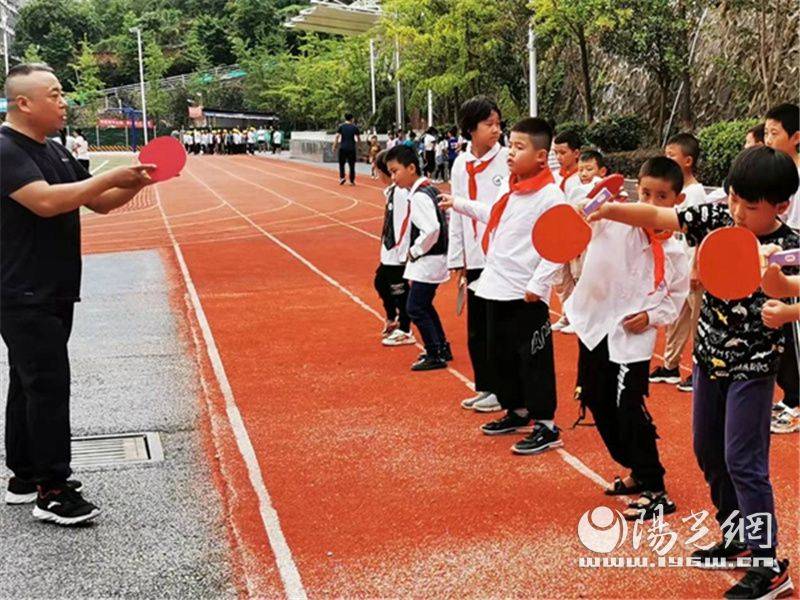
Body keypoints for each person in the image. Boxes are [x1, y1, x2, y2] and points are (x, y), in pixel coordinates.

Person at [588, 145, 798, 599]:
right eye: (734, 199)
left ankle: (769, 566)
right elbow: (661, 218)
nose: (738, 212)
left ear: (780, 207)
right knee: (708, 451)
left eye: (751, 206)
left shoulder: (790, 247)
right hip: (708, 360)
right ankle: (737, 532)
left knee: (745, 461)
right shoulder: (718, 218)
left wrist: (785, 313)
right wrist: (610, 208)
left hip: (753, 369)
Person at [0, 63, 158, 525]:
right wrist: (110, 177)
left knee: (29, 381)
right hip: (21, 288)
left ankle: (25, 475)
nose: (64, 101)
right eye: (55, 94)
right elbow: (47, 202)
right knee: (48, 384)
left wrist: (133, 184)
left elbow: (99, 203)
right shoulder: (6, 150)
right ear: (24, 103)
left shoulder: (53, 149)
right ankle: (53, 490)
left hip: (51, 286)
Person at [566, 156, 690, 520]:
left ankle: (655, 485)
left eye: (662, 197)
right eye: (646, 193)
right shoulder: (614, 220)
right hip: (594, 325)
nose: (651, 204)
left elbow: (676, 299)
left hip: (631, 337)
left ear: (676, 202)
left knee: (628, 407)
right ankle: (635, 467)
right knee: (595, 397)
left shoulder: (675, 251)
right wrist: (589, 204)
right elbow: (578, 217)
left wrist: (651, 316)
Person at [439, 117, 565, 455]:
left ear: (541, 156)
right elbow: (492, 213)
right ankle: (517, 409)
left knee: (533, 360)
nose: (510, 152)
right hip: (495, 286)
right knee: (500, 356)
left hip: (525, 294)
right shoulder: (512, 187)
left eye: (519, 147)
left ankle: (546, 425)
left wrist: (537, 285)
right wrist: (458, 204)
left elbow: (561, 245)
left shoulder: (551, 195)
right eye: (510, 145)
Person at [447, 96, 508, 413]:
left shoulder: (508, 161)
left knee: (496, 327)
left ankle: (502, 389)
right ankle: (486, 386)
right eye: (489, 124)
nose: (496, 130)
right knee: (477, 329)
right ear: (471, 128)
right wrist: (457, 259)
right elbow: (456, 214)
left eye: (498, 123)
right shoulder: (461, 164)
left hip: (499, 257)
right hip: (475, 257)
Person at [649, 132, 708, 392]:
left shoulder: (695, 194)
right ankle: (671, 366)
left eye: (672, 155)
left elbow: (701, 237)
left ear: (688, 161)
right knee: (675, 317)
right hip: (677, 266)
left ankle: (701, 370)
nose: (667, 159)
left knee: (697, 321)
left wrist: (696, 266)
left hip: (692, 265)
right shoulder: (673, 192)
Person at [385, 144, 451, 371]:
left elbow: (431, 229)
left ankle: (434, 352)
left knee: (415, 308)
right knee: (424, 304)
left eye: (395, 171)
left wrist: (414, 250)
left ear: (411, 168)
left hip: (428, 260)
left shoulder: (421, 196)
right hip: (434, 258)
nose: (393, 178)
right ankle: (441, 346)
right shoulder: (429, 189)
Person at [763, 102, 800, 436]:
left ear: (796, 137)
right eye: (766, 132)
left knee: (794, 335)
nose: (768, 139)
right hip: (783, 260)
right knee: (785, 336)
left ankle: (797, 402)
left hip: (795, 260)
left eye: (775, 133)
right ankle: (791, 397)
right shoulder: (778, 173)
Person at [373, 150, 415, 347]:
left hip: (397, 253)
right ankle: (392, 317)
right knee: (381, 282)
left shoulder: (399, 193)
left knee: (399, 291)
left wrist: (402, 253)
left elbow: (402, 224)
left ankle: (405, 329)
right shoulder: (391, 191)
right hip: (389, 252)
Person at [551, 129, 584, 333]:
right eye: (555, 153)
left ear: (576, 153)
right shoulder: (554, 177)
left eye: (562, 152)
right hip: (557, 234)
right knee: (561, 280)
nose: (558, 157)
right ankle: (567, 314)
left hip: (576, 235)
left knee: (578, 277)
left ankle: (579, 318)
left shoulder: (582, 178)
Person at [334, 113, 361, 185]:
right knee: (352, 165)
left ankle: (342, 177)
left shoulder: (341, 127)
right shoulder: (354, 127)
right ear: (352, 119)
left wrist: (334, 146)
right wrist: (359, 147)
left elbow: (337, 136)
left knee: (341, 164)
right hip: (351, 148)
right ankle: (351, 180)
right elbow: (358, 138)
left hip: (343, 148)